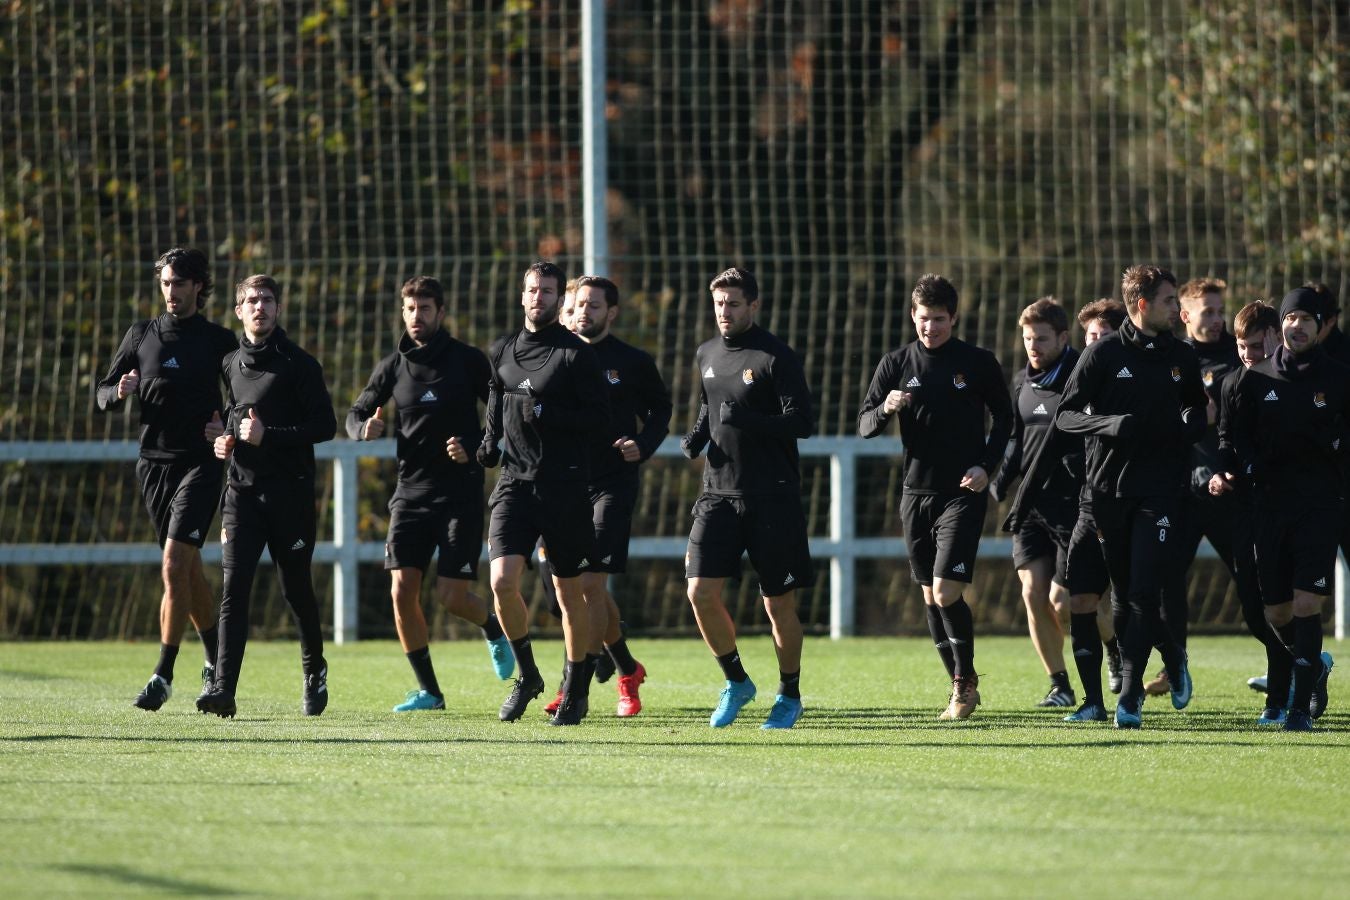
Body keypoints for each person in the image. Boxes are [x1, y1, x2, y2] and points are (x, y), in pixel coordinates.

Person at [346, 275, 513, 713]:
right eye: (409, 309)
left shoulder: (468, 361)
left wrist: (475, 446)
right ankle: (430, 693)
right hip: (409, 495)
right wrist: (362, 428)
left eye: (424, 308)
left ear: (441, 312)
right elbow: (355, 411)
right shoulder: (392, 366)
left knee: (452, 597)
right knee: (401, 590)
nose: (416, 316)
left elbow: (501, 413)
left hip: (459, 495)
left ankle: (492, 626)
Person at [1056, 265, 1207, 729]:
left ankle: (1129, 696)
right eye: (1168, 301)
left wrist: (1185, 429)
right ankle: (1172, 656)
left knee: (1142, 592)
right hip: (1108, 493)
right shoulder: (1102, 354)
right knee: (1120, 595)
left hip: (1160, 492)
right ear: (1142, 305)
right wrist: (1110, 424)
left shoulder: (1182, 355)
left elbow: (1196, 409)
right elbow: (1065, 416)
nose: (1177, 309)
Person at [858, 274, 1013, 719]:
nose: (931, 328)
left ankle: (964, 685)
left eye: (940, 319)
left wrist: (986, 465)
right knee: (929, 595)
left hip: (962, 491)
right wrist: (886, 408)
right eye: (924, 319)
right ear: (913, 316)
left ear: (954, 318)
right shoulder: (895, 363)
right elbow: (865, 425)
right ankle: (960, 683)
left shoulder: (978, 363)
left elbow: (1005, 420)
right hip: (915, 493)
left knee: (945, 591)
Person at [95, 247, 236, 711]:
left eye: (178, 283)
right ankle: (216, 660)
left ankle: (163, 674)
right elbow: (101, 393)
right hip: (153, 466)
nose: (170, 291)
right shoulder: (141, 334)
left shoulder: (219, 341)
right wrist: (118, 391)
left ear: (198, 286)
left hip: (200, 465)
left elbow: (243, 397)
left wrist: (228, 426)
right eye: (165, 283)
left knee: (174, 564)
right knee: (187, 570)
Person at [195, 275, 337, 718]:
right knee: (233, 590)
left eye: (267, 300)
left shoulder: (300, 364)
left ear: (278, 308)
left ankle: (314, 669)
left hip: (290, 497)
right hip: (241, 495)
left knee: (296, 590)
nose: (260, 307)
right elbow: (234, 418)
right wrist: (223, 439)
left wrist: (267, 435)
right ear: (239, 310)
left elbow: (325, 426)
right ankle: (223, 689)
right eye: (252, 300)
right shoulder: (229, 364)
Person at [478, 261, 610, 726]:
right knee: (501, 581)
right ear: (523, 295)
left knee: (568, 593)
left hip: (564, 487)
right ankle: (528, 675)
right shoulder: (502, 349)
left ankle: (575, 691)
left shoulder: (576, 355)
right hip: (514, 484)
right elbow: (496, 396)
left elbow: (600, 421)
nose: (539, 298)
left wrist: (550, 415)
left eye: (548, 291)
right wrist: (488, 441)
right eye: (532, 290)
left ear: (559, 299)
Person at [682, 267, 814, 729]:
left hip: (771, 497)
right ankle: (736, 680)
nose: (725, 311)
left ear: (753, 305)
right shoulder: (706, 353)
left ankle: (789, 694)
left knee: (777, 604)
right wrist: (698, 435)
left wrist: (750, 421)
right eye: (719, 303)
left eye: (733, 303)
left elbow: (802, 422)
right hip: (717, 493)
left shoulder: (775, 356)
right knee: (699, 591)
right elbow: (710, 405)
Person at [535, 275, 672, 718]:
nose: (584, 312)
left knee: (591, 585)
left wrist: (643, 444)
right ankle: (627, 667)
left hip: (612, 483)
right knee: (564, 592)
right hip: (561, 484)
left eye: (594, 306)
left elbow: (660, 410)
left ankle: (573, 690)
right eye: (578, 304)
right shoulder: (551, 355)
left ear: (611, 312)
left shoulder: (631, 361)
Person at [1220, 288, 1346, 730]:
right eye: (1291, 318)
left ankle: (1298, 711)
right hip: (1269, 507)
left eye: (1306, 319)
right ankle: (1314, 665)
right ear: (1282, 326)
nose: (1298, 326)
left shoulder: (1339, 378)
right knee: (1276, 612)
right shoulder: (1253, 380)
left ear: (1320, 326)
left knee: (1307, 602)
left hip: (1319, 506)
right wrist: (1234, 467)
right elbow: (1232, 436)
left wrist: (1335, 445)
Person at [1143, 278, 1242, 697]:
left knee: (1254, 581)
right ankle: (1174, 665)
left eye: (1221, 311)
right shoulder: (1171, 358)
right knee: (1167, 580)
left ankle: (1290, 663)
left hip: (1229, 490)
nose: (1218, 320)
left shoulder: (1239, 356)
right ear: (1184, 315)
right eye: (1208, 312)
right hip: (1180, 492)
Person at [1209, 300, 1303, 723]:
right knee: (1252, 606)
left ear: (1274, 337)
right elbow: (1225, 439)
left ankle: (1280, 698)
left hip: (1290, 505)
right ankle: (1307, 664)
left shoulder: (1298, 379)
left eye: (1255, 345)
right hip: (1246, 506)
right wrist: (1221, 471)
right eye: (1241, 346)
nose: (1248, 354)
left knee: (1279, 600)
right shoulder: (1233, 384)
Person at [991, 298, 1080, 708]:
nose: (1033, 346)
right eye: (1028, 338)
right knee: (1032, 593)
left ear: (1063, 337)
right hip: (1031, 505)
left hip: (1073, 506)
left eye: (1041, 339)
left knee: (1064, 604)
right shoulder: (1020, 382)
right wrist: (1000, 480)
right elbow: (1016, 438)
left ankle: (1113, 649)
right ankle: (1059, 684)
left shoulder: (1081, 377)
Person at [1055, 299, 1127, 723]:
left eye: (1103, 336)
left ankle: (1166, 665)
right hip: (1088, 505)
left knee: (1134, 601)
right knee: (1078, 599)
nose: (1095, 344)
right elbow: (1061, 427)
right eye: (1091, 337)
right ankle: (1093, 702)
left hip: (1135, 505)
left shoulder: (1140, 375)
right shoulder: (1077, 379)